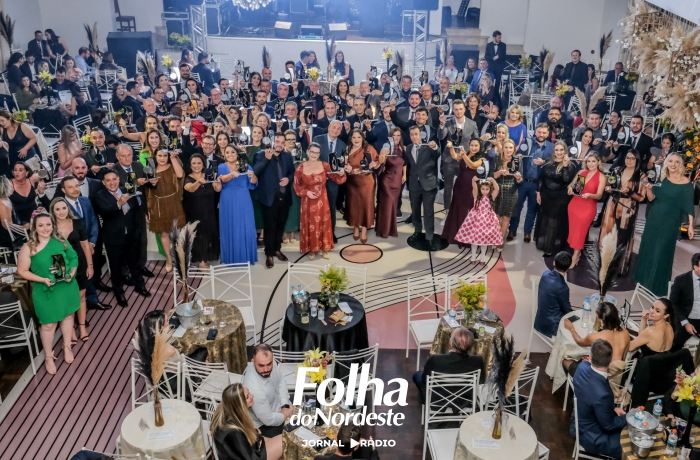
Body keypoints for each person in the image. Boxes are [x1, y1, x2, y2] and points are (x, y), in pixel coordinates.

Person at [16, 211, 79, 374]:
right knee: (48, 324)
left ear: (53, 225)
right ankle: (49, 356)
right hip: (45, 291)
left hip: (66, 287)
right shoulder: (28, 247)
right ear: (35, 228)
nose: (45, 228)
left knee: (68, 316)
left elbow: (73, 258)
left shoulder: (61, 240)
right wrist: (42, 279)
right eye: (41, 225)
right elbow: (22, 271)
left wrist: (71, 272)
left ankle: (66, 346)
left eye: (48, 225)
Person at [635, 153, 694, 296]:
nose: (673, 164)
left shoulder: (686, 182)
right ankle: (643, 281)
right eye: (671, 161)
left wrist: (691, 225)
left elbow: (689, 205)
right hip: (654, 218)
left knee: (662, 251)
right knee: (648, 248)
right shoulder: (663, 178)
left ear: (681, 165)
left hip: (670, 222)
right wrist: (648, 188)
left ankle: (656, 286)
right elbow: (652, 198)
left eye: (677, 162)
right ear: (667, 163)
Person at [93, 170, 149, 308]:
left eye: (114, 179)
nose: (112, 183)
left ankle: (140, 286)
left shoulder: (128, 190)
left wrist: (138, 231)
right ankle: (119, 292)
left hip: (132, 236)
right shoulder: (99, 196)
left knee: (135, 264)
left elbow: (136, 211)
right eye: (108, 180)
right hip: (114, 239)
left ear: (119, 179)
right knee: (116, 268)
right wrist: (119, 203)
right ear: (103, 183)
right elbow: (105, 211)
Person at [569, 339, 627, 459]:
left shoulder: (581, 366)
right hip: (591, 435)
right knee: (629, 443)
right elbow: (609, 425)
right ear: (611, 359)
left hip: (577, 420)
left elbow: (590, 399)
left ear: (590, 356)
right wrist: (630, 416)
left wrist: (612, 409)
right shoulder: (603, 394)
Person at [60, 176, 106, 311]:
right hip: (73, 250)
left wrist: (91, 243)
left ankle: (92, 300)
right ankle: (75, 309)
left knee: (90, 273)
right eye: (70, 187)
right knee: (77, 280)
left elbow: (94, 222)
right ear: (63, 190)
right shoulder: (61, 207)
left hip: (89, 246)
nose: (75, 189)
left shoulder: (85, 201)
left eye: (76, 186)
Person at [50, 197, 92, 344]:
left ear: (68, 208)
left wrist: (90, 265)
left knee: (81, 296)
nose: (61, 212)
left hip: (80, 264)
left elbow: (85, 245)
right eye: (57, 209)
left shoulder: (77, 223)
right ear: (53, 211)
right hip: (61, 266)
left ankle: (82, 327)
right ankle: (71, 330)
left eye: (64, 208)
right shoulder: (50, 227)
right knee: (67, 298)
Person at [294, 142, 346, 259]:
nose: (314, 154)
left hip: (322, 201)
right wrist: (306, 192)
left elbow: (337, 178)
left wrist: (341, 173)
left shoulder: (325, 165)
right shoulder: (300, 167)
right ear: (308, 152)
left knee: (324, 224)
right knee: (310, 224)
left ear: (319, 154)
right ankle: (312, 249)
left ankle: (324, 248)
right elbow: (297, 185)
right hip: (308, 201)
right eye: (312, 152)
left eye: (317, 153)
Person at [599, 149, 646, 275]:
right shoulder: (617, 170)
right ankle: (605, 262)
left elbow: (641, 197)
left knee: (622, 236)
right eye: (627, 158)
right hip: (612, 203)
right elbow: (609, 183)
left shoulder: (641, 176)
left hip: (628, 208)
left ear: (637, 160)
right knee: (608, 233)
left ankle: (619, 266)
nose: (629, 160)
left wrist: (629, 192)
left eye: (632, 158)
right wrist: (608, 188)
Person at [210, 382, 283, 460]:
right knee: (285, 442)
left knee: (284, 440)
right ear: (239, 405)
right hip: (253, 455)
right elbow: (247, 457)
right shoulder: (233, 433)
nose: (252, 395)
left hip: (251, 448)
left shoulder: (231, 412)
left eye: (249, 392)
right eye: (248, 397)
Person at [412, 326, 485, 402]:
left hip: (437, 400)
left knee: (417, 375)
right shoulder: (478, 360)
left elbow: (425, 380)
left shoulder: (435, 359)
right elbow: (481, 381)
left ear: (451, 343)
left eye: (450, 336)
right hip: (464, 401)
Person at [254, 133, 294, 269]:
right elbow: (256, 172)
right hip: (269, 198)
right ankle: (269, 254)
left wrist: (288, 179)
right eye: (277, 141)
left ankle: (277, 249)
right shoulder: (260, 155)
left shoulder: (287, 156)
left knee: (280, 226)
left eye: (282, 142)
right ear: (271, 141)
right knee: (270, 227)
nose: (280, 145)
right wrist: (266, 159)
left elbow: (292, 173)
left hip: (284, 197)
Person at [507, 124, 552, 243]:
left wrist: (544, 162)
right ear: (535, 132)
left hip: (537, 184)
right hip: (522, 181)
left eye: (544, 133)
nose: (541, 135)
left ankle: (527, 232)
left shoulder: (551, 147)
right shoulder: (526, 142)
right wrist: (518, 157)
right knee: (517, 207)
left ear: (548, 134)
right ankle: (512, 230)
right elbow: (514, 158)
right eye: (539, 132)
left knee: (532, 209)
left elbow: (553, 163)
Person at [563, 302, 631, 379]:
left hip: (599, 378)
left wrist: (571, 329)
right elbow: (624, 357)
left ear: (601, 320)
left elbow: (579, 342)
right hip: (618, 376)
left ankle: (577, 384)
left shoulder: (595, 337)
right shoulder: (626, 333)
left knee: (565, 360)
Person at [145, 149, 185, 272]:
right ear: (155, 156)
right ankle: (168, 258)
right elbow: (147, 192)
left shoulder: (172, 166)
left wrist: (173, 158)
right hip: (158, 205)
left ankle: (180, 258)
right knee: (164, 234)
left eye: (165, 156)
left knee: (178, 233)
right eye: (160, 155)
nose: (162, 158)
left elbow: (180, 175)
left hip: (174, 203)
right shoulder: (150, 170)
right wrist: (148, 210)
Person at [241, 343, 293, 438]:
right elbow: (268, 420)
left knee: (309, 407)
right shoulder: (254, 389)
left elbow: (281, 382)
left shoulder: (269, 361)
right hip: (266, 425)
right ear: (253, 362)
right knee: (298, 432)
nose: (266, 369)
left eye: (269, 364)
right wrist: (286, 414)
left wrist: (285, 405)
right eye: (261, 366)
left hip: (279, 405)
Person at [534, 141, 576, 255]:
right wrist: (538, 193)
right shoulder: (548, 161)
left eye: (561, 150)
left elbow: (566, 180)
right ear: (553, 151)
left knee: (554, 222)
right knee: (546, 219)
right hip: (546, 196)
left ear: (565, 151)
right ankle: (546, 243)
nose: (559, 152)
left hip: (560, 198)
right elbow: (541, 178)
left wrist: (565, 166)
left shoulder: (570, 165)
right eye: (557, 150)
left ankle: (550, 246)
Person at [219, 145, 259, 265]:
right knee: (230, 226)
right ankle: (231, 257)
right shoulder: (221, 166)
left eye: (233, 152)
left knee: (246, 225)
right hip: (227, 199)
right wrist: (232, 174)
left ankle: (246, 257)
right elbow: (222, 179)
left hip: (243, 199)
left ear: (237, 154)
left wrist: (253, 176)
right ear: (224, 155)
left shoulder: (246, 165)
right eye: (227, 152)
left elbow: (254, 182)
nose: (230, 154)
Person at [438, 99, 479, 213]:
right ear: (453, 110)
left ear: (465, 109)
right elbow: (441, 136)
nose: (458, 111)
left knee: (464, 185)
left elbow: (476, 141)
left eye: (461, 109)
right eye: (456, 109)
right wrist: (442, 124)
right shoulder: (447, 122)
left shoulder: (472, 124)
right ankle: (447, 210)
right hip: (449, 159)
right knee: (448, 186)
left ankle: (463, 209)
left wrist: (470, 154)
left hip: (464, 159)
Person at [441, 138, 484, 245]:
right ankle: (453, 235)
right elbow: (455, 157)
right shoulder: (467, 153)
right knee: (457, 208)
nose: (473, 148)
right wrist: (451, 148)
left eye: (476, 146)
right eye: (472, 145)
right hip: (459, 184)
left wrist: (464, 154)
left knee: (467, 210)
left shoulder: (482, 158)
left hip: (471, 187)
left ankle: (465, 238)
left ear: (480, 147)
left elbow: (472, 165)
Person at [567, 153, 605, 268]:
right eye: (588, 161)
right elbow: (571, 185)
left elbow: (599, 195)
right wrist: (570, 189)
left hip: (588, 208)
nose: (591, 164)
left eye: (593, 161)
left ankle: (575, 256)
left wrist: (589, 195)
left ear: (598, 162)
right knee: (574, 231)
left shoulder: (601, 177)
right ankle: (576, 252)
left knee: (580, 232)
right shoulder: (581, 173)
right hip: (574, 205)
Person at [183, 154, 221, 268]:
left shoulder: (209, 175)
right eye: (194, 163)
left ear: (203, 164)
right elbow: (190, 188)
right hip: (194, 212)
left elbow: (217, 189)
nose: (196, 166)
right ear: (190, 165)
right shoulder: (188, 177)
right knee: (198, 236)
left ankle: (205, 258)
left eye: (199, 163)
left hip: (209, 211)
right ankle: (201, 262)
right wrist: (198, 182)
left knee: (208, 234)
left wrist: (217, 180)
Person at [405, 126, 440, 249]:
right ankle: (417, 231)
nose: (414, 137)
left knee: (428, 212)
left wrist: (434, 147)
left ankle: (429, 237)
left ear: (421, 134)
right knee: (415, 211)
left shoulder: (429, 146)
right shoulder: (409, 148)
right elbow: (407, 164)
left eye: (416, 134)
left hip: (428, 185)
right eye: (412, 134)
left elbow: (437, 153)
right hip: (414, 185)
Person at [455, 177, 502, 264]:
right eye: (483, 189)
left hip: (487, 221)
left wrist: (493, 181)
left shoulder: (491, 197)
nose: (485, 191)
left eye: (487, 189)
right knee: (474, 240)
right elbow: (474, 188)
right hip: (476, 221)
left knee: (485, 241)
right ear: (480, 189)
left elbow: (497, 189)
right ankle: (473, 257)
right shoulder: (476, 196)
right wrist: (473, 181)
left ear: (490, 189)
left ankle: (482, 258)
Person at [345, 129, 380, 244]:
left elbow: (378, 161)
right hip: (352, 182)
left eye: (359, 137)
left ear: (363, 138)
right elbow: (343, 165)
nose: (356, 140)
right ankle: (356, 228)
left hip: (367, 182)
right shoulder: (347, 149)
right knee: (354, 206)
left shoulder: (369, 148)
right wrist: (349, 170)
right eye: (354, 137)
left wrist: (375, 164)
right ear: (351, 138)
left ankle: (364, 230)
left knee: (366, 205)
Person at [375, 128, 406, 239]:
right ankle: (384, 231)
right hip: (387, 180)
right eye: (394, 135)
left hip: (397, 181)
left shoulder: (403, 148)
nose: (396, 138)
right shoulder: (385, 148)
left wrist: (404, 175)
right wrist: (383, 155)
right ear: (390, 137)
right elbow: (381, 162)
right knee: (387, 205)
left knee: (394, 205)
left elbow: (404, 163)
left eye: (398, 135)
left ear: (401, 137)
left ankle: (391, 229)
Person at [491, 139, 522, 247]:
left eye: (511, 148)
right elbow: (491, 176)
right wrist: (499, 172)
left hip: (511, 192)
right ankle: (493, 238)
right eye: (506, 147)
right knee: (495, 217)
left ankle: (500, 241)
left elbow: (520, 180)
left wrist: (518, 178)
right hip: (497, 191)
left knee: (506, 218)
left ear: (514, 149)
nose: (508, 150)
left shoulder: (518, 160)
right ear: (502, 148)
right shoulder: (497, 158)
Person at [534, 251, 573, 338]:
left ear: (554, 262)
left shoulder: (545, 274)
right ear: (569, 266)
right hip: (552, 325)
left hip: (540, 318)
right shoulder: (563, 287)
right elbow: (566, 310)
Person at [670, 254, 700, 350]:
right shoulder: (681, 280)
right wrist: (685, 322)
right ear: (695, 267)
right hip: (687, 318)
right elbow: (673, 303)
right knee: (675, 344)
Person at [0, 110, 39, 176]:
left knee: (32, 177)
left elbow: (34, 138)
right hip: (14, 161)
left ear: (9, 118)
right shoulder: (3, 130)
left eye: (2, 120)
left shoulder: (22, 126)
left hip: (28, 158)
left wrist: (25, 148)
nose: (1, 123)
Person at [313, 423, 379, 460]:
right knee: (366, 447)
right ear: (356, 446)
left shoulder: (319, 459)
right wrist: (373, 448)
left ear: (335, 439)